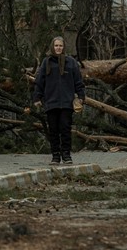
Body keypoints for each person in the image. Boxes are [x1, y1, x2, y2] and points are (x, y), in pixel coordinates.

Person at [32, 36, 86, 165]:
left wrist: (81, 96)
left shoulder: (71, 62)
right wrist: (37, 97)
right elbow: (40, 81)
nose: (58, 48)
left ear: (64, 47)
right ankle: (55, 156)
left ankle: (66, 155)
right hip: (51, 101)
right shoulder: (46, 62)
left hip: (67, 102)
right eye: (56, 46)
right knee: (53, 130)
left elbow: (78, 81)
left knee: (65, 129)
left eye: (60, 46)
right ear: (52, 47)